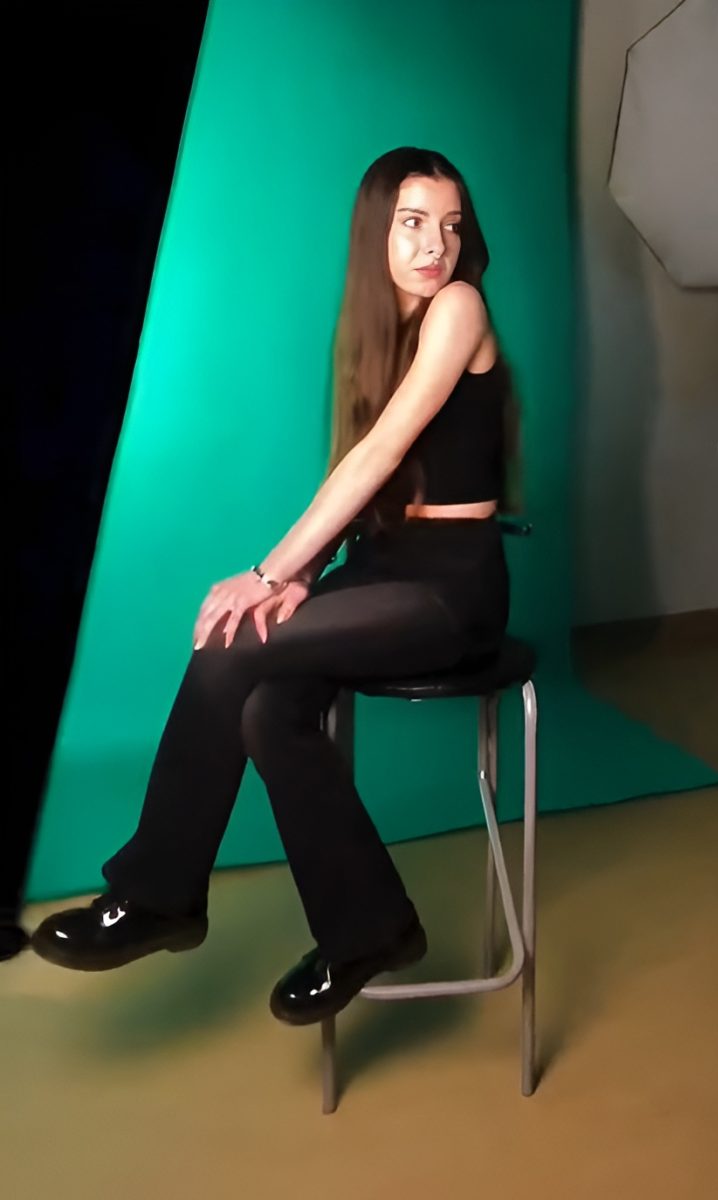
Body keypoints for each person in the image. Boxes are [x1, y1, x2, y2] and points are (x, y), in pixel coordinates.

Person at [31, 147, 517, 1026]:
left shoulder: (459, 307)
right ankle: (370, 929)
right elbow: (360, 479)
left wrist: (268, 573)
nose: (435, 245)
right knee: (266, 710)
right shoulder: (380, 333)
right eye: (412, 223)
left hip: (453, 586)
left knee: (232, 644)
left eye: (451, 226)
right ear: (376, 233)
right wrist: (310, 576)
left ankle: (157, 893)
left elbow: (379, 456)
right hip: (382, 569)